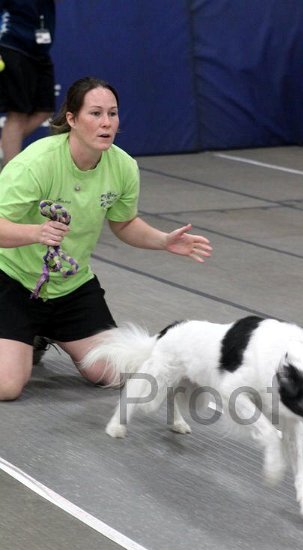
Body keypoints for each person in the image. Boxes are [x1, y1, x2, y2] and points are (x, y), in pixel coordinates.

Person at [0, 76, 213, 401]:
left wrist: (163, 241)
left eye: (112, 114)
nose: (106, 123)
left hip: (71, 288)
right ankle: (25, 337)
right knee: (7, 386)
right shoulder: (35, 164)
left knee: (116, 374)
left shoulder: (123, 167)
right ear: (71, 119)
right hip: (13, 282)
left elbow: (124, 223)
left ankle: (41, 336)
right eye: (95, 113)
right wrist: (35, 232)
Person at [0, 0, 56, 165]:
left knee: (44, 110)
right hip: (13, 46)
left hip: (40, 51)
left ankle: (5, 144)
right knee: (17, 113)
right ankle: (12, 175)